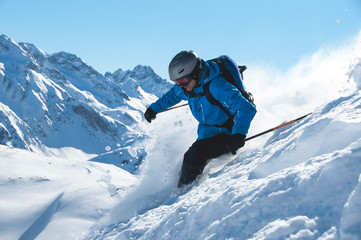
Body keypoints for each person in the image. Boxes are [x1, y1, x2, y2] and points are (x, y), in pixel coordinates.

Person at [144, 50, 257, 188]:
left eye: (183, 81)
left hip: (229, 134)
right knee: (191, 159)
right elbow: (172, 96)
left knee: (196, 154)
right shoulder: (187, 87)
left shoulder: (217, 86)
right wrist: (153, 109)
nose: (180, 85)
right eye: (177, 82)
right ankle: (181, 189)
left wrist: (238, 135)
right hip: (208, 133)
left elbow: (246, 108)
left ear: (196, 73)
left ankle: (182, 195)